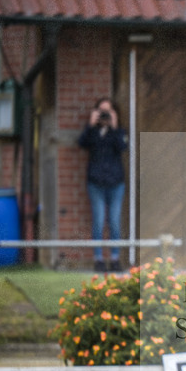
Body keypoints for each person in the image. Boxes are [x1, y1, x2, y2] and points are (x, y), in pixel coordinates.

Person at [78, 97, 128, 272]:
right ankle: (98, 259)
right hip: (96, 183)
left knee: (114, 221)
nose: (104, 114)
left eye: (108, 111)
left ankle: (115, 259)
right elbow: (81, 143)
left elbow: (122, 147)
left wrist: (114, 126)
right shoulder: (92, 132)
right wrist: (91, 125)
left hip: (116, 183)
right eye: (101, 111)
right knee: (98, 222)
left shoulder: (119, 132)